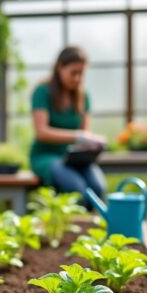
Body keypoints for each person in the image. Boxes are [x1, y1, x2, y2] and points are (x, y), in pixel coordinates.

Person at [30, 46, 108, 205]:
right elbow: (41, 132)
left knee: (98, 186)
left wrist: (93, 142)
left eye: (81, 73)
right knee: (75, 187)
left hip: (74, 157)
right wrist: (77, 135)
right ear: (60, 67)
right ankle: (71, 228)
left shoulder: (83, 96)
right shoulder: (43, 92)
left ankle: (88, 227)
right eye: (73, 73)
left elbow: (85, 132)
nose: (78, 78)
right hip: (46, 156)